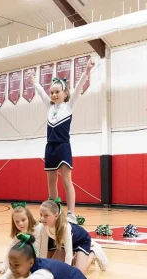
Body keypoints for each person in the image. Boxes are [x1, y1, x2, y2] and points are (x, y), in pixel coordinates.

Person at [30, 59, 95, 223]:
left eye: (57, 91)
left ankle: (71, 213)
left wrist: (86, 72)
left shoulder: (69, 106)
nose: (53, 95)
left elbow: (79, 87)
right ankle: (54, 212)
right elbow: (41, 93)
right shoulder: (49, 106)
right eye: (52, 92)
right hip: (50, 147)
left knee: (66, 180)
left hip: (63, 146)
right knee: (51, 181)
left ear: (65, 93)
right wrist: (34, 82)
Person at [40, 199, 108, 273]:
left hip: (81, 241)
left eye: (46, 215)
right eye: (41, 215)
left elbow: (68, 253)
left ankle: (94, 252)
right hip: (65, 244)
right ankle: (77, 258)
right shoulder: (43, 226)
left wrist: (68, 273)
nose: (42, 218)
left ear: (56, 216)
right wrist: (41, 266)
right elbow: (43, 248)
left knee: (79, 273)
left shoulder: (65, 228)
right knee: (52, 267)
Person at [0, 202, 44, 274]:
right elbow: (10, 249)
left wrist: (34, 268)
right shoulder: (18, 232)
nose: (20, 224)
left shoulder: (38, 228)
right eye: (17, 221)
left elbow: (38, 249)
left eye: (23, 220)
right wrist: (4, 267)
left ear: (29, 218)